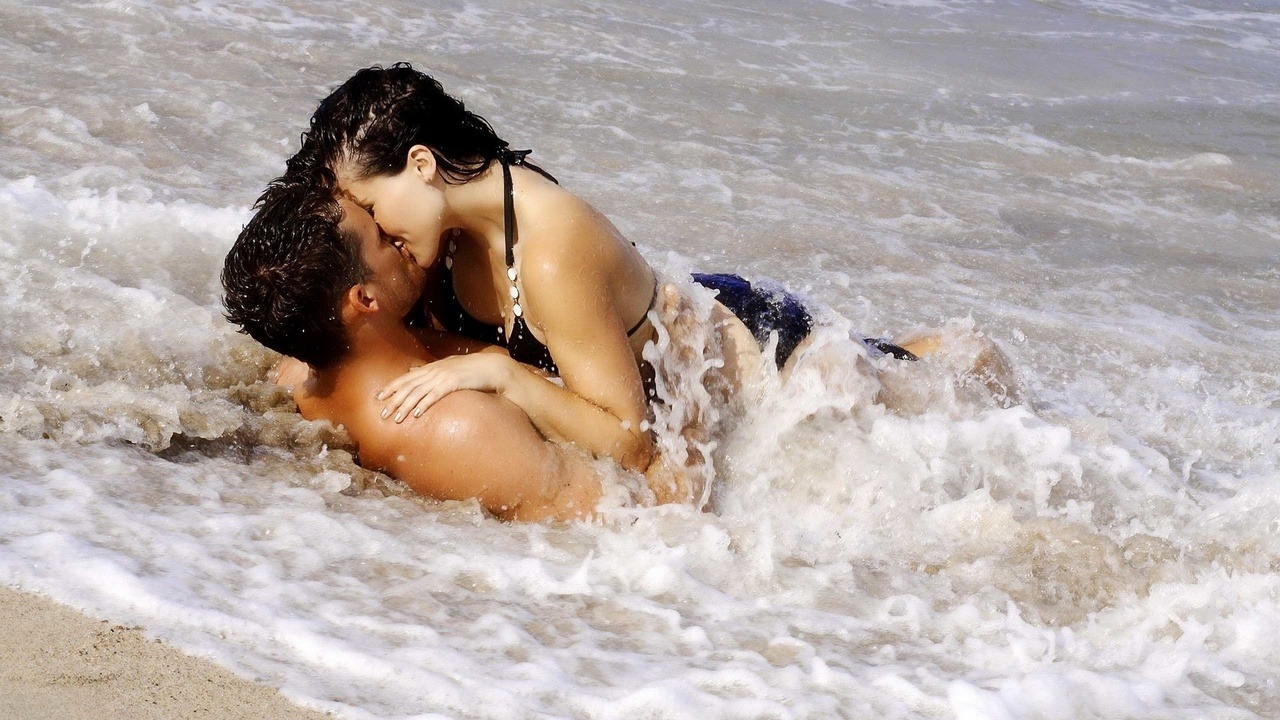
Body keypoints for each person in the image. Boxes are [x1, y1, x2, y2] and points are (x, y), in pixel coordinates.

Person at [290, 63, 926, 476]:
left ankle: (958, 353)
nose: (373, 226)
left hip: (759, 346)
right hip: (658, 324)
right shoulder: (439, 233)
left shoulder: (550, 248)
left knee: (920, 388)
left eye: (371, 205)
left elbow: (630, 442)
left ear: (422, 165)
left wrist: (501, 373)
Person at [221, 172, 690, 522]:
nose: (399, 237)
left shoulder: (297, 371)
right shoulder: (460, 428)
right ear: (364, 299)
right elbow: (647, 515)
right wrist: (690, 369)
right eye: (383, 238)